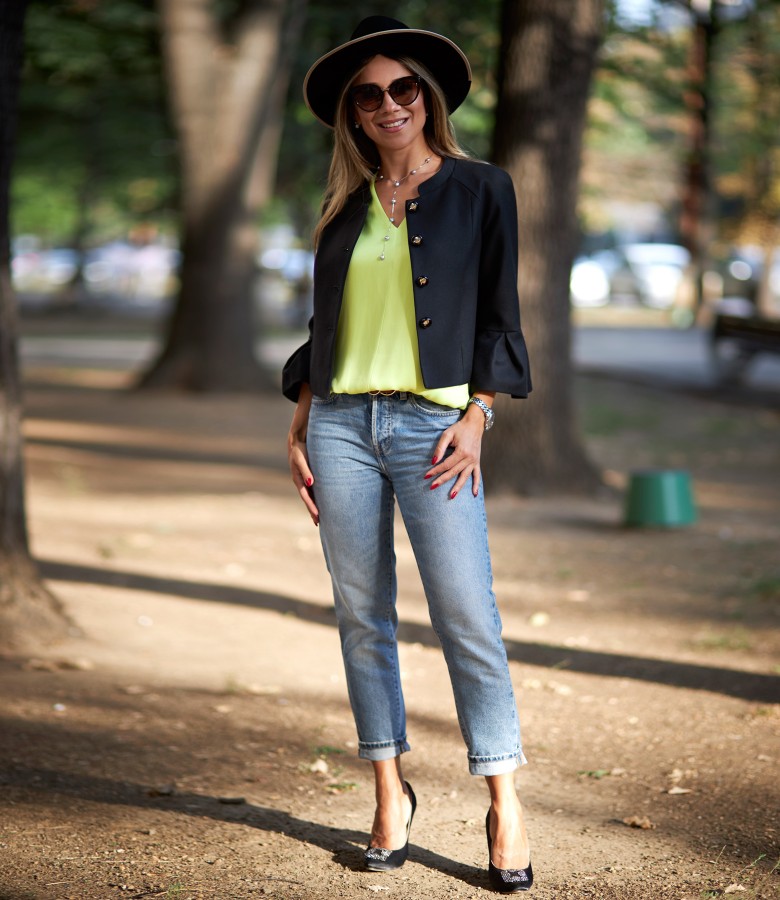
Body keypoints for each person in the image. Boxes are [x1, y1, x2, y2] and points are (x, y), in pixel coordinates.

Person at [283, 16, 533, 893]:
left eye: (403, 88)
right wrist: (300, 420)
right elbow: (326, 326)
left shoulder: (482, 188)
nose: (388, 104)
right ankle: (390, 792)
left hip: (437, 430)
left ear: (427, 98)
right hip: (339, 426)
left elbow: (500, 313)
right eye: (369, 95)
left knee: (467, 613)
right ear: (352, 113)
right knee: (362, 615)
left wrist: (480, 414)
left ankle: (504, 798)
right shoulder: (342, 209)